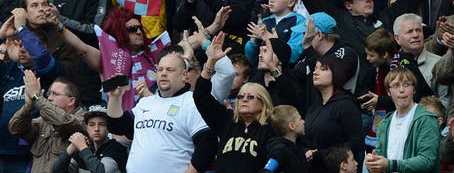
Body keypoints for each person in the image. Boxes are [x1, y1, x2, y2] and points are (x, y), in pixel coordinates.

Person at [107, 45, 216, 172]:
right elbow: (117, 126)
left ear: (184, 75)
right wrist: (116, 97)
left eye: (170, 70)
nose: (163, 73)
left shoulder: (193, 102)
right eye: (160, 69)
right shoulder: (145, 103)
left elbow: (208, 143)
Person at [194, 44, 275, 173]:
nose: (244, 99)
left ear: (263, 103)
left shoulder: (270, 129)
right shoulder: (226, 121)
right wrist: (210, 62)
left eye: (250, 97)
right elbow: (200, 96)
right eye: (241, 96)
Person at [364, 68, 440, 173]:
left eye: (406, 85)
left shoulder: (426, 120)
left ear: (414, 89)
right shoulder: (385, 123)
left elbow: (427, 161)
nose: (401, 90)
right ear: (388, 92)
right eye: (395, 85)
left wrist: (390, 165)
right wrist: (373, 163)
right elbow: (381, 159)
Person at [9, 75, 86, 172]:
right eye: (49, 94)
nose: (49, 98)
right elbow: (15, 129)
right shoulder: (43, 121)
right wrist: (27, 108)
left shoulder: (84, 119)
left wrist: (37, 97)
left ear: (71, 101)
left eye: (55, 94)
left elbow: (63, 122)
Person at [304, 55, 364, 173]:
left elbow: (356, 142)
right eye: (315, 68)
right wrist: (306, 151)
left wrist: (322, 155)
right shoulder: (315, 106)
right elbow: (305, 137)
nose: (315, 72)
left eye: (323, 69)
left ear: (336, 73)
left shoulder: (346, 105)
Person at [51, 106, 128, 173]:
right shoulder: (85, 149)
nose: (96, 129)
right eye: (92, 125)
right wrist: (71, 148)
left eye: (102, 124)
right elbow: (56, 171)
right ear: (87, 128)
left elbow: (102, 171)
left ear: (109, 128)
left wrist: (83, 148)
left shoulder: (116, 148)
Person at [261, 104, 308, 172]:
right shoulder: (280, 150)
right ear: (292, 126)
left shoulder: (296, 147)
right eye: (300, 119)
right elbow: (267, 170)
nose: (303, 122)